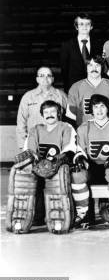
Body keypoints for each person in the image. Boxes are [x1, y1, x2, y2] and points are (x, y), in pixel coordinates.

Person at [7, 100, 76, 234]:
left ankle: (59, 218)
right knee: (25, 178)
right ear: (42, 115)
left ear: (59, 113)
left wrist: (56, 162)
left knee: (58, 183)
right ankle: (28, 217)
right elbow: (30, 150)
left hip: (57, 167)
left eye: (52, 111)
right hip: (38, 167)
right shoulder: (35, 129)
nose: (49, 115)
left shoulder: (66, 127)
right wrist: (35, 163)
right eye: (46, 112)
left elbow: (69, 149)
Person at [71, 94, 109, 229]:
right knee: (77, 174)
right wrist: (79, 157)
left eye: (102, 106)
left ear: (108, 108)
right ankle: (82, 213)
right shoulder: (84, 127)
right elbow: (80, 150)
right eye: (96, 107)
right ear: (91, 109)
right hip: (92, 166)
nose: (99, 110)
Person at [17, 67, 69, 149]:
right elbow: (21, 121)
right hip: (34, 143)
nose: (45, 78)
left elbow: (70, 118)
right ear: (37, 79)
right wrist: (23, 144)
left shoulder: (61, 96)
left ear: (53, 78)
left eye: (48, 75)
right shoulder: (28, 97)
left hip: (56, 143)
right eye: (42, 75)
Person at [67, 55, 109, 127]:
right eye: (90, 65)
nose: (94, 68)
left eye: (97, 65)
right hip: (85, 130)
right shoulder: (76, 87)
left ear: (102, 67)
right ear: (86, 67)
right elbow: (70, 114)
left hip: (107, 130)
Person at [60, 12, 102, 92]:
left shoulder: (99, 45)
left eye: (87, 24)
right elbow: (64, 70)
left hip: (94, 87)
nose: (84, 27)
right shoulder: (67, 45)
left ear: (91, 26)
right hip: (74, 89)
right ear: (76, 26)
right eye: (81, 24)